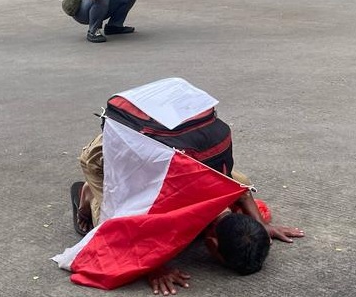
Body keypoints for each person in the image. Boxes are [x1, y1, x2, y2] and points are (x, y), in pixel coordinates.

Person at [73, 114, 304, 295]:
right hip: (104, 155)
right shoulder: (170, 205)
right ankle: (88, 196)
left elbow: (243, 193)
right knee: (107, 228)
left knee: (238, 181)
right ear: (211, 244)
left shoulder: (227, 188)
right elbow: (128, 230)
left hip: (153, 145)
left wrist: (261, 226)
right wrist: (153, 268)